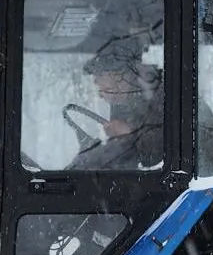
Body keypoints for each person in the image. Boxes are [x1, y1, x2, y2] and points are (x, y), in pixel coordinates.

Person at [69, 36, 165, 171]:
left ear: (120, 75)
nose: (100, 95)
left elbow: (154, 157)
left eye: (100, 80)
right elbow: (123, 157)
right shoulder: (125, 104)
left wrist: (129, 133)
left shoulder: (164, 96)